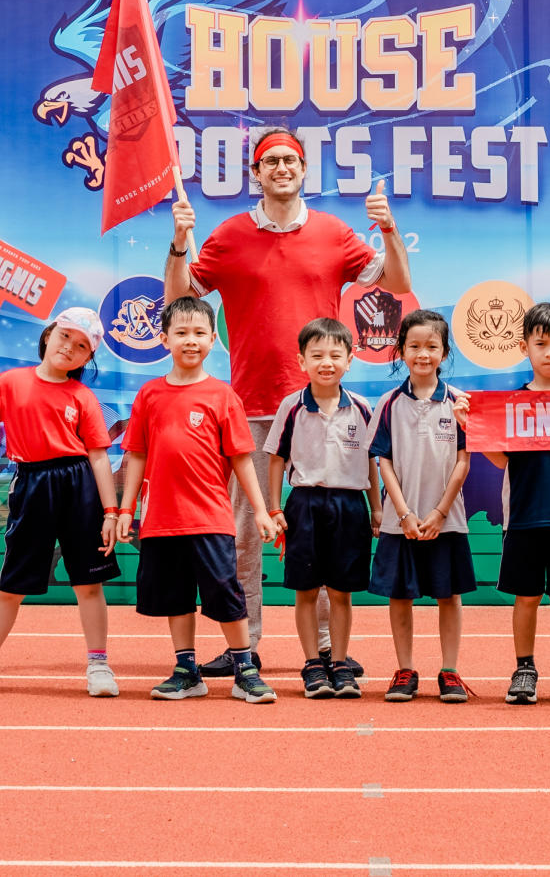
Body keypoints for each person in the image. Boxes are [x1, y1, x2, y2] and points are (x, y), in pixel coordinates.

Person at [165, 126, 412, 678]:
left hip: (318, 409)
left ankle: (325, 648)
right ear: (256, 173)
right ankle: (243, 644)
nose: (281, 167)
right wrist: (180, 243)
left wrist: (389, 228)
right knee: (244, 531)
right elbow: (179, 300)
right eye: (270, 161)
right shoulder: (229, 235)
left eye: (290, 160)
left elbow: (397, 281)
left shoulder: (333, 233)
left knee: (321, 532)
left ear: (303, 170)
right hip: (249, 406)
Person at [0, 308, 123, 697]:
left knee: (89, 583)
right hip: (32, 485)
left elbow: (98, 456)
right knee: (11, 585)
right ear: (48, 334)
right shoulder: (11, 382)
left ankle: (99, 665)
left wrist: (111, 512)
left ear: (88, 358)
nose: (69, 348)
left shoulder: (82, 396)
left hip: (79, 485)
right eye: (65, 336)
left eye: (81, 346)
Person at [117, 296, 278, 703]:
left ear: (211, 340)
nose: (191, 340)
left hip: (210, 518)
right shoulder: (149, 394)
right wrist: (125, 509)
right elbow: (136, 454)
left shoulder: (222, 395)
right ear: (164, 339)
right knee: (176, 597)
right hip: (160, 520)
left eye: (199, 333)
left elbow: (242, 458)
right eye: (182, 332)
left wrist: (261, 510)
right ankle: (186, 671)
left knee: (226, 592)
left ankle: (245, 669)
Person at [456, 302, 550, 707]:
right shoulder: (511, 403)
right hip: (522, 516)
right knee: (525, 598)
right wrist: (472, 426)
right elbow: (501, 460)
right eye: (540, 344)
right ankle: (524, 669)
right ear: (524, 347)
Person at [264, 317, 377, 699]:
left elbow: (372, 461)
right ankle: (313, 664)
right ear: (302, 361)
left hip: (350, 505)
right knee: (307, 590)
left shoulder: (362, 408)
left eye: (334, 355)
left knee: (342, 592)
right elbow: (276, 459)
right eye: (317, 355)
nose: (326, 363)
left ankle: (340, 664)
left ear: (350, 360)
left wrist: (376, 509)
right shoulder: (291, 406)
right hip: (305, 505)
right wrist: (274, 508)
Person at [369, 309, 474, 704]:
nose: (423, 354)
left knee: (450, 596)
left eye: (432, 346)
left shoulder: (460, 402)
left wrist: (439, 512)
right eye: (414, 346)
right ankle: (405, 669)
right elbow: (384, 462)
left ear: (444, 352)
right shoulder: (389, 403)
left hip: (447, 520)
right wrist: (404, 514)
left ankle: (449, 670)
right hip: (403, 523)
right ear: (402, 350)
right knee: (400, 596)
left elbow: (464, 461)